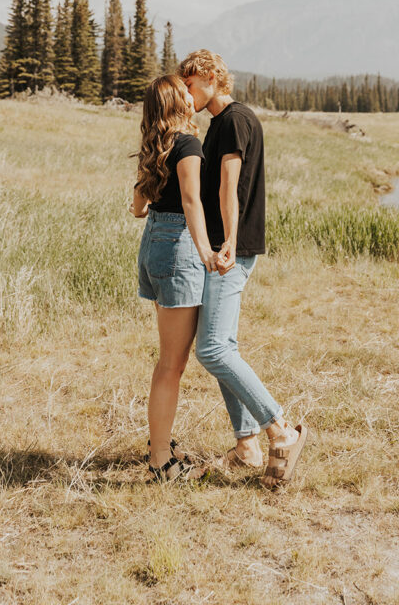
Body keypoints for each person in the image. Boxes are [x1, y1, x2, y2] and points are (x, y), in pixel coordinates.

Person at [178, 49, 308, 489]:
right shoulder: (224, 122)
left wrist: (228, 241)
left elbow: (229, 187)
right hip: (226, 248)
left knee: (212, 350)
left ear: (212, 77)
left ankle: (280, 431)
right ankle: (246, 446)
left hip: (230, 249)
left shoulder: (233, 120)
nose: (185, 91)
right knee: (223, 347)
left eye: (190, 84)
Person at [130, 74, 219, 483]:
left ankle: (159, 443)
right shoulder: (187, 144)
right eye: (183, 89)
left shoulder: (155, 145)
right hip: (178, 247)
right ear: (176, 102)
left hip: (153, 244)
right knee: (171, 364)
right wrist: (205, 252)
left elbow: (136, 207)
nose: (190, 91)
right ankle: (161, 462)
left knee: (169, 360)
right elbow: (191, 201)